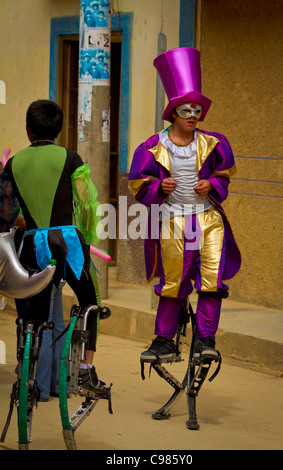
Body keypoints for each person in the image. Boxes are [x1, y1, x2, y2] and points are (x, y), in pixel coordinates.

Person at [128, 47, 241, 362]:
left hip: (208, 220)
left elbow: (223, 177)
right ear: (173, 113)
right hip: (173, 221)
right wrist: (158, 187)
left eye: (196, 111)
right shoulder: (151, 148)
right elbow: (139, 185)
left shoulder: (214, 143)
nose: (193, 116)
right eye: (186, 111)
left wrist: (213, 185)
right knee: (173, 283)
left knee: (211, 282)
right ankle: (164, 339)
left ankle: (206, 338)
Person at [5, 99, 109, 395]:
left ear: (28, 131)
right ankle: (87, 370)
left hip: (32, 245)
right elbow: (88, 205)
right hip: (68, 242)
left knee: (34, 315)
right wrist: (85, 239)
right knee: (90, 301)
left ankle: (30, 377)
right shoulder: (70, 158)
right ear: (59, 129)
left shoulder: (13, 165)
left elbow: (8, 211)